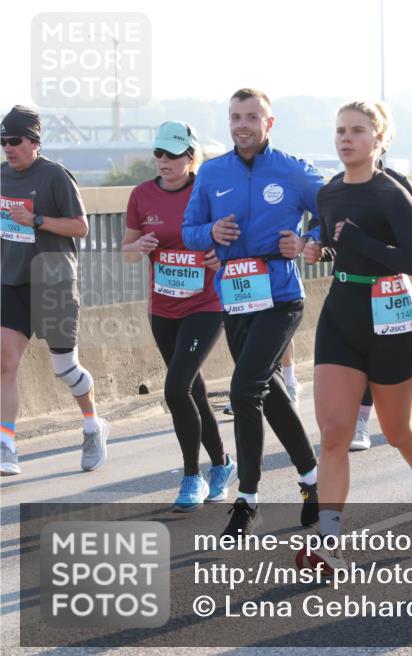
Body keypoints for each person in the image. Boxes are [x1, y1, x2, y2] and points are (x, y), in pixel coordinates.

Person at [298, 100, 412, 571]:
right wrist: (317, 247)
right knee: (334, 434)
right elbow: (329, 235)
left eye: (357, 130)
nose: (345, 138)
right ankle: (329, 543)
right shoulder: (329, 191)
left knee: (397, 431)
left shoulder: (390, 193)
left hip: (392, 317)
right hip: (342, 313)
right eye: (340, 130)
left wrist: (359, 241)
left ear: (379, 139)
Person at [182, 88, 321, 536]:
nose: (241, 125)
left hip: (281, 297)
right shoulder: (211, 173)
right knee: (269, 392)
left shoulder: (293, 170)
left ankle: (248, 498)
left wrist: (303, 242)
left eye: (251, 117)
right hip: (236, 299)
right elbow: (189, 231)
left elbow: (332, 212)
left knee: (244, 389)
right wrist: (210, 232)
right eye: (235, 117)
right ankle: (312, 479)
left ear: (269, 122)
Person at [122, 120, 237, 510]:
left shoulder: (207, 192)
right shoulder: (141, 195)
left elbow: (233, 240)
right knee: (193, 390)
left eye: (172, 154)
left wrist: (218, 254)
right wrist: (140, 244)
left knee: (175, 389)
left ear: (191, 157)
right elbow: (127, 250)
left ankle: (192, 477)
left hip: (205, 305)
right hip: (163, 307)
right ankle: (221, 463)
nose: (163, 160)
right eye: (158, 153)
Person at [1, 105, 110, 476]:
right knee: (5, 362)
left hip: (54, 282)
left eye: (14, 141)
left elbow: (81, 227)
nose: (8, 148)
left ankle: (93, 424)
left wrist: (37, 220)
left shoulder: (54, 176)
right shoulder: (1, 176)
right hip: (11, 281)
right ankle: (6, 445)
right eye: (2, 142)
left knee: (64, 367)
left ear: (33, 142)